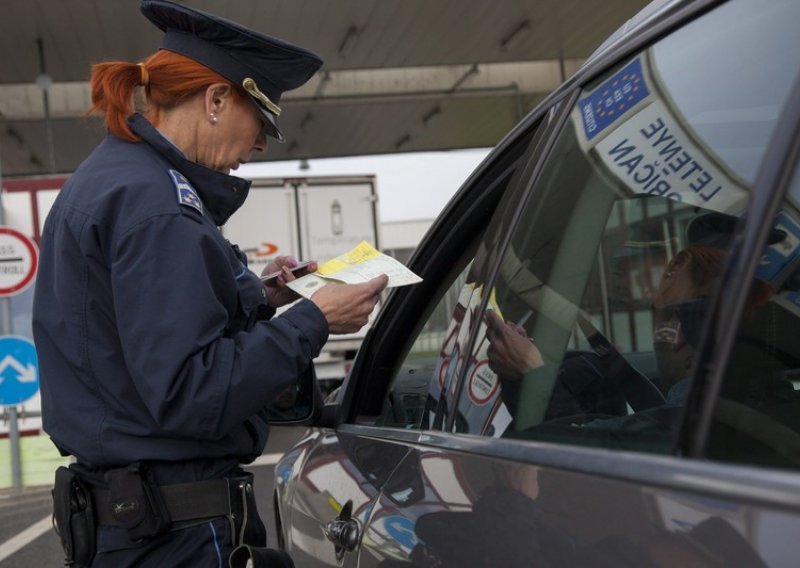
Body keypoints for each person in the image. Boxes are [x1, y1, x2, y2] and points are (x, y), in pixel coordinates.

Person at [32, 1, 387, 566]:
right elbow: (191, 394)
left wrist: (263, 295)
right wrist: (315, 318)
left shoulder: (115, 180)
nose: (262, 145)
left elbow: (127, 336)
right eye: (261, 121)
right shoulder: (160, 206)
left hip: (134, 523)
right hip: (175, 535)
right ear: (216, 100)